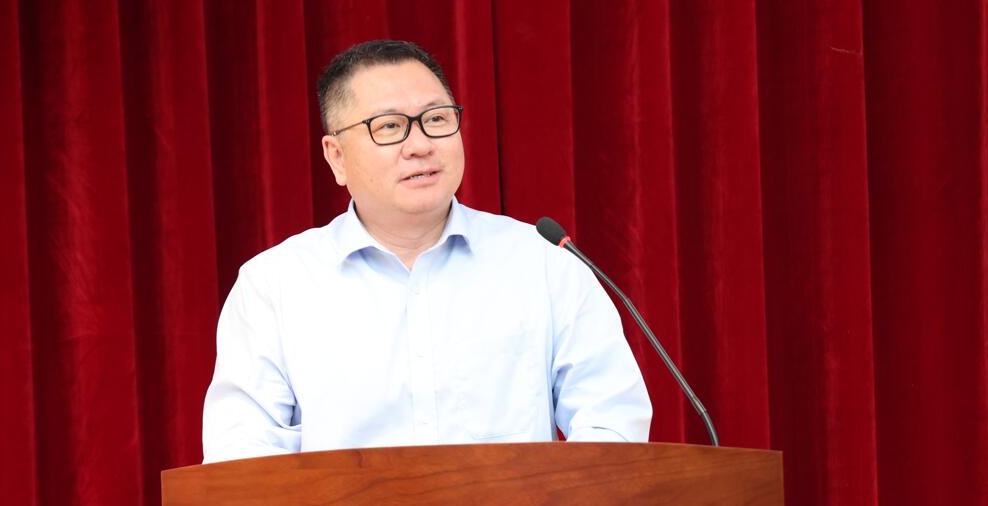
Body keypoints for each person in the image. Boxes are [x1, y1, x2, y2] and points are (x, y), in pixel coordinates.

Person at [201, 39, 651, 463]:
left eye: (436, 119)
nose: (420, 146)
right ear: (336, 156)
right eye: (389, 127)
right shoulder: (275, 286)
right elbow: (241, 457)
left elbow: (612, 423)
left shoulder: (543, 263)